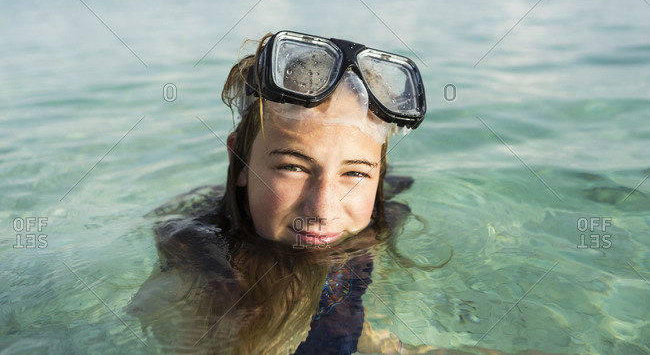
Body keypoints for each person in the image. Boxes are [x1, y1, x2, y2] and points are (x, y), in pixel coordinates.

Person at [129, 31, 546, 355]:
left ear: (379, 174)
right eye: (293, 167)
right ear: (239, 159)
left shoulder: (375, 219)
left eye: (356, 173)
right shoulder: (191, 284)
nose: (323, 208)